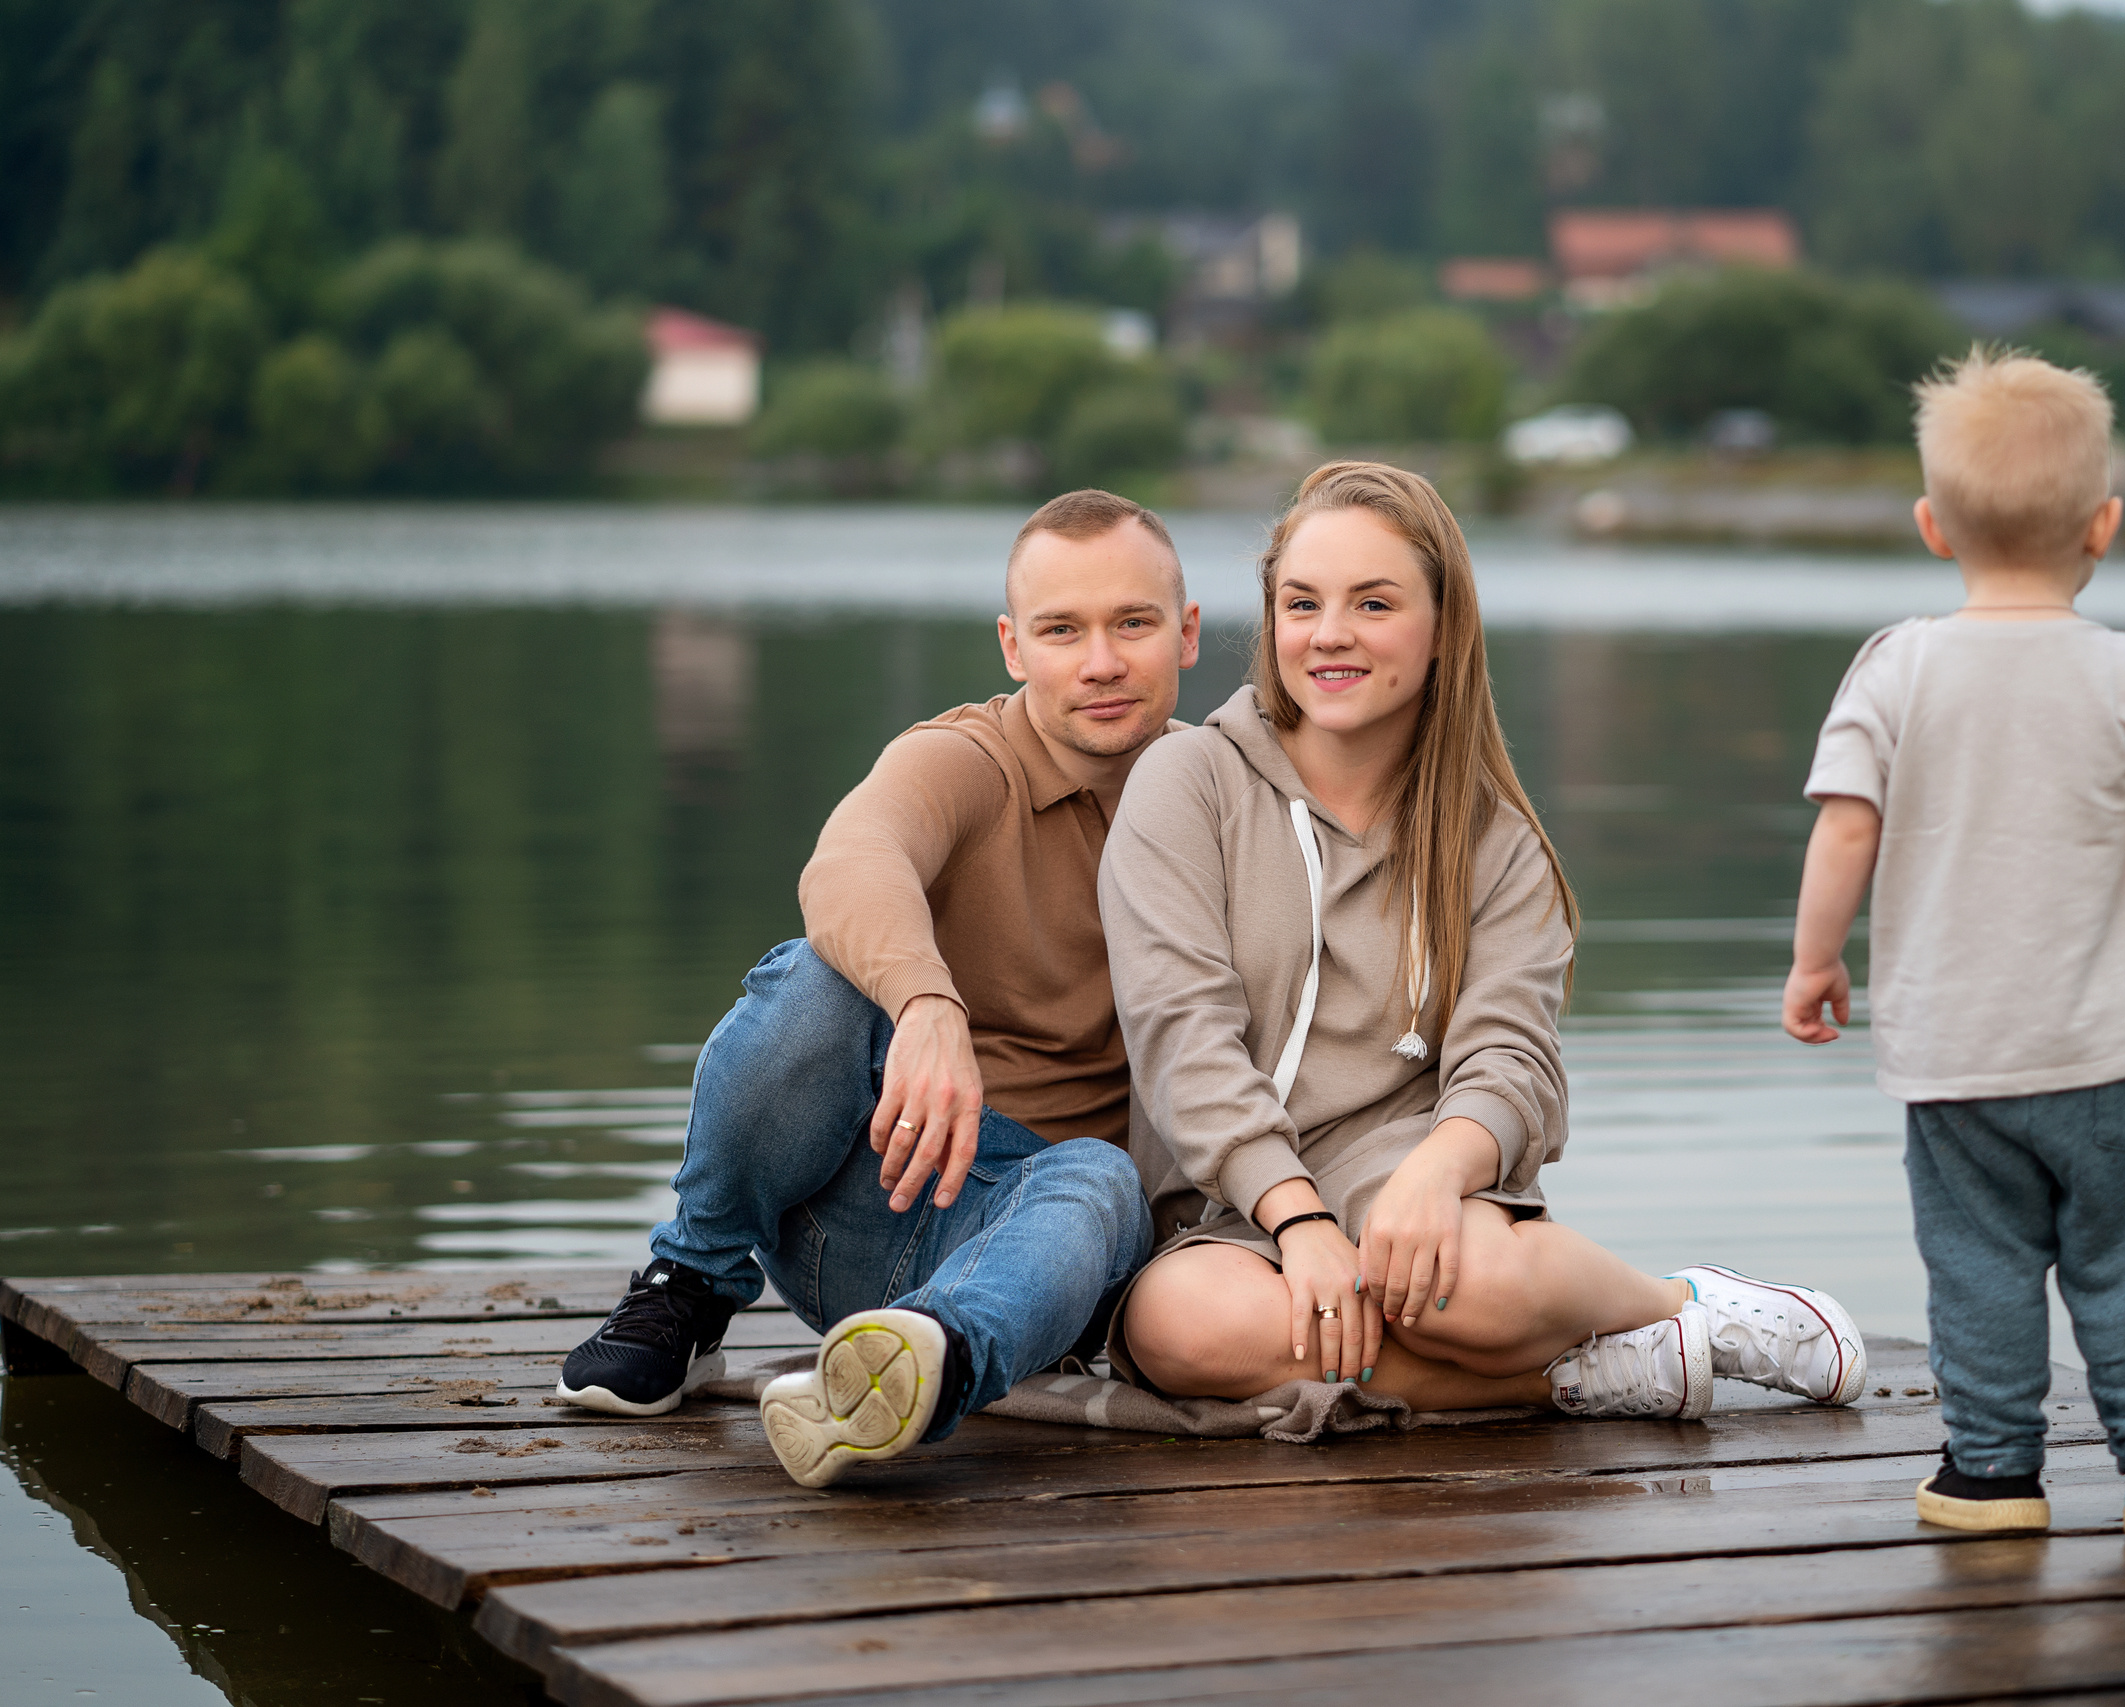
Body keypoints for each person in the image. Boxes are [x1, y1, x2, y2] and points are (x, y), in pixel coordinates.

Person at [1097, 461, 1866, 1421]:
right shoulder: (1187, 783)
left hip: (1409, 1183)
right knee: (1182, 1327)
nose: (1330, 633)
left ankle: (1684, 1304)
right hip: (1229, 1213)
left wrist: (1437, 1171)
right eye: (1303, 603)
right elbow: (1183, 1042)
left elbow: (1512, 1058)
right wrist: (1296, 1218)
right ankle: (1596, 1371)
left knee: (1470, 1287)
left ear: (1441, 627)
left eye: (1373, 603)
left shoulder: (1494, 840)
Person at [556, 489, 1198, 1487]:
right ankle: (690, 1282)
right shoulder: (962, 759)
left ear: (1187, 633)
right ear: (1012, 647)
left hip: (1041, 1236)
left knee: (1103, 1180)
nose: (1102, 661)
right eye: (1062, 629)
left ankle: (915, 1364)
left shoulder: (1222, 797)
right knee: (817, 980)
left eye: (1133, 624)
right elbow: (852, 858)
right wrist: (928, 1006)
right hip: (867, 1200)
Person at [1784, 348, 2125, 1539]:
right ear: (2104, 523)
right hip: (2119, 1058)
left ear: (1931, 525)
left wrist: (1815, 962)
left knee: (1980, 1270)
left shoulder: (1895, 669)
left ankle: (1992, 1476)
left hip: (1956, 1066)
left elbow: (1844, 830)